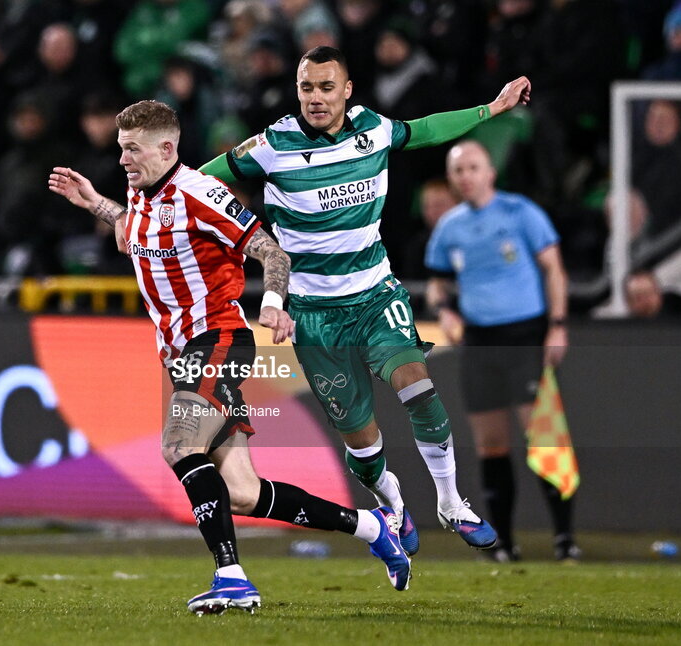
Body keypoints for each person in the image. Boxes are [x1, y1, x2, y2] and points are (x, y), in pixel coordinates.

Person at [49, 100, 413, 615]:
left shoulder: (203, 194)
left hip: (217, 339)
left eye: (132, 149)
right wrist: (96, 205)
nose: (124, 159)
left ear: (167, 148)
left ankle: (232, 578)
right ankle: (371, 527)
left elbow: (272, 252)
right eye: (120, 149)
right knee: (242, 493)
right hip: (181, 353)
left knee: (178, 445)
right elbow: (135, 233)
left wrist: (271, 302)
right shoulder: (141, 195)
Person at [198, 46, 530, 553]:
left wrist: (493, 108)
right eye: (306, 87)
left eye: (327, 87)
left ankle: (450, 502)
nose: (316, 98)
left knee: (419, 388)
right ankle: (393, 504)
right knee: (363, 440)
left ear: (347, 90)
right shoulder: (270, 146)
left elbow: (427, 129)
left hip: (376, 295)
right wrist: (138, 207)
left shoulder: (372, 128)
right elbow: (198, 181)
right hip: (312, 313)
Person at [424, 140, 576, 562]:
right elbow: (437, 282)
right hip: (479, 343)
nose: (466, 176)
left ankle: (565, 539)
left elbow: (554, 269)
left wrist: (558, 325)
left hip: (525, 336)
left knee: (542, 439)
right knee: (491, 444)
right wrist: (445, 310)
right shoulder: (449, 228)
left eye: (473, 167)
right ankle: (503, 544)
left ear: (490, 172)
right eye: (458, 170)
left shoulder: (520, 212)